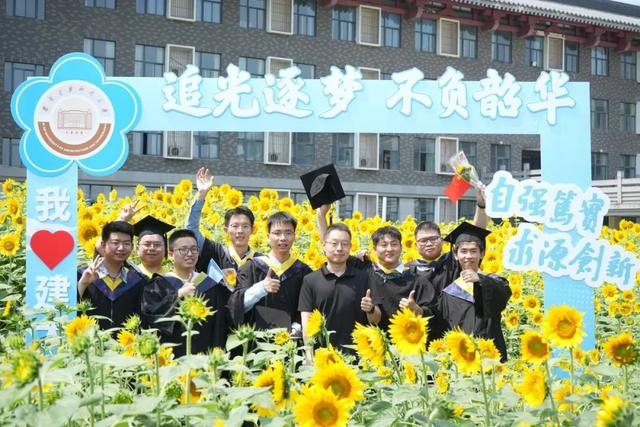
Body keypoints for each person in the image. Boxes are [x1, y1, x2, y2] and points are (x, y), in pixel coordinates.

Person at [317, 205, 436, 332]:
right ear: (374, 249)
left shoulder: (416, 280)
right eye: (383, 245)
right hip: (368, 340)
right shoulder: (365, 269)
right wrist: (321, 215)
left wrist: (415, 309)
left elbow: (432, 314)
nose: (389, 249)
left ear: (401, 247)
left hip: (405, 341)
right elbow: (332, 249)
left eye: (394, 244)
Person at [430, 222, 512, 361]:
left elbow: (503, 293)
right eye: (463, 251)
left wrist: (480, 280)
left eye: (473, 251)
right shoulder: (449, 292)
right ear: (456, 255)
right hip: (461, 358)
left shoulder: (494, 282)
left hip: (490, 357)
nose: (468, 256)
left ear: (482, 254)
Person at [298, 223, 380, 356]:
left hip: (357, 357)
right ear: (324, 246)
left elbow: (375, 319)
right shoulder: (310, 280)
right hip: (322, 357)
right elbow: (307, 322)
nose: (340, 248)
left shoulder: (364, 277)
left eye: (345, 244)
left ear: (350, 247)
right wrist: (309, 355)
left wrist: (370, 309)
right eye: (334, 243)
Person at [228, 211, 312, 334]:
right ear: (268, 237)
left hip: (292, 339)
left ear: (295, 236)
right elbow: (236, 306)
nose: (283, 238)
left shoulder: (304, 272)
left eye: (288, 233)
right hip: (256, 340)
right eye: (277, 233)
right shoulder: (251, 267)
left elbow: (309, 307)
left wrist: (297, 326)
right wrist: (261, 288)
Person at [186, 167, 260, 287]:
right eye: (235, 226)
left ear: (252, 230)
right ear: (226, 230)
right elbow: (190, 231)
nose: (240, 231)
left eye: (245, 226)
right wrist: (201, 194)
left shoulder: (260, 261)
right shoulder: (213, 252)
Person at [162, 229, 231, 356]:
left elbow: (218, 327)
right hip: (171, 358)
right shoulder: (160, 284)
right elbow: (154, 318)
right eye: (183, 249)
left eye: (194, 249)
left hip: (204, 359)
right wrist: (178, 296)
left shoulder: (210, 285)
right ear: (171, 254)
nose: (190, 254)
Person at [78, 221, 145, 330]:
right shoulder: (83, 275)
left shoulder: (137, 281)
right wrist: (83, 284)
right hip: (89, 339)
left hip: (126, 339)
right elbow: (69, 311)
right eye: (115, 243)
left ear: (132, 247)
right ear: (103, 245)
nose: (121, 248)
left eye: (126, 243)